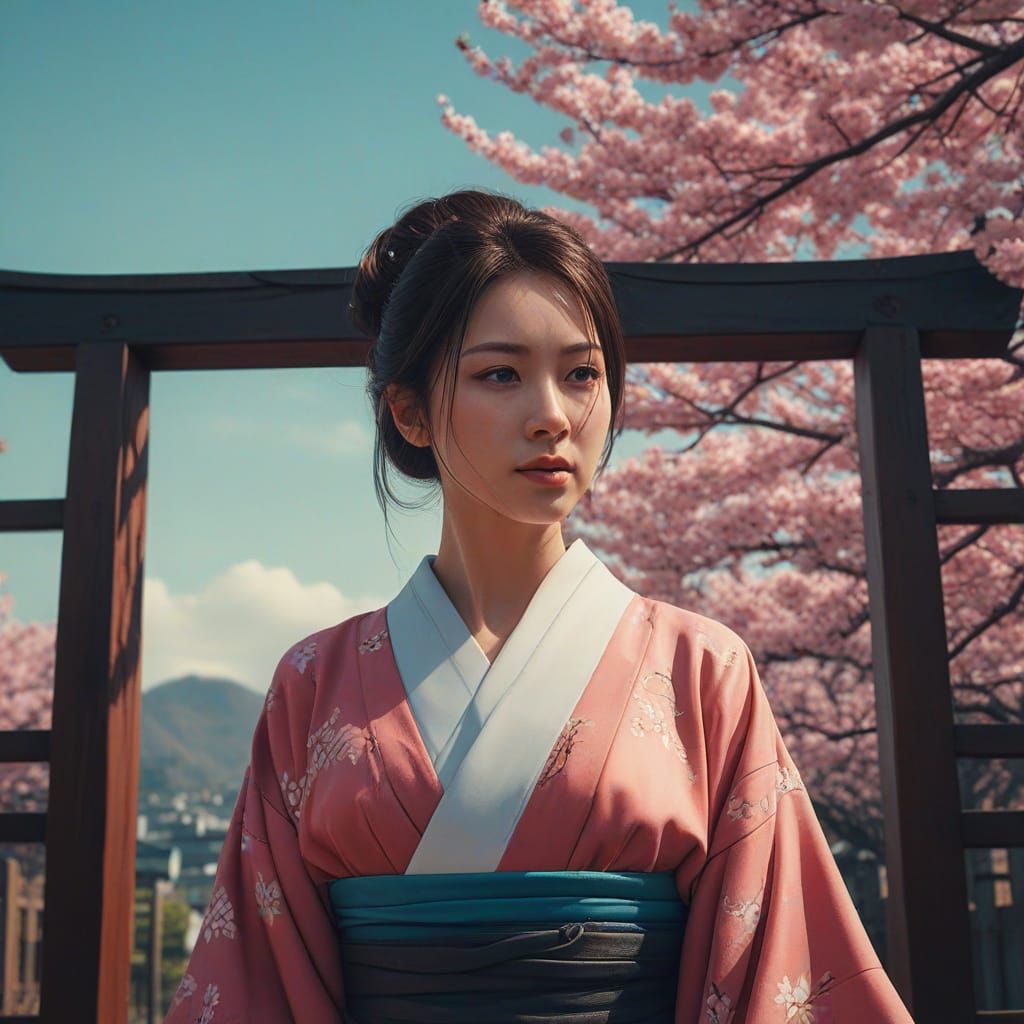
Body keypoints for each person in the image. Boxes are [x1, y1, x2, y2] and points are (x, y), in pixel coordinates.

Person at [163, 188, 914, 1023]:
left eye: (582, 373)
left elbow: (771, 969)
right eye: (500, 374)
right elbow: (260, 980)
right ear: (409, 412)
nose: (552, 416)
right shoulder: (313, 681)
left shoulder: (703, 669)